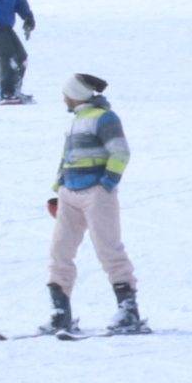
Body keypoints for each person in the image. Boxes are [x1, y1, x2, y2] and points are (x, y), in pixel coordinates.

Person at [45, 75, 144, 336]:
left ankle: (128, 311)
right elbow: (66, 157)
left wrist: (106, 184)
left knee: (108, 249)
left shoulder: (104, 118)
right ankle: (60, 313)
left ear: (76, 94)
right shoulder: (76, 121)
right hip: (70, 194)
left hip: (96, 194)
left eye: (66, 93)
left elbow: (120, 152)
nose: (63, 98)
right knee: (60, 251)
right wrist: (59, 190)